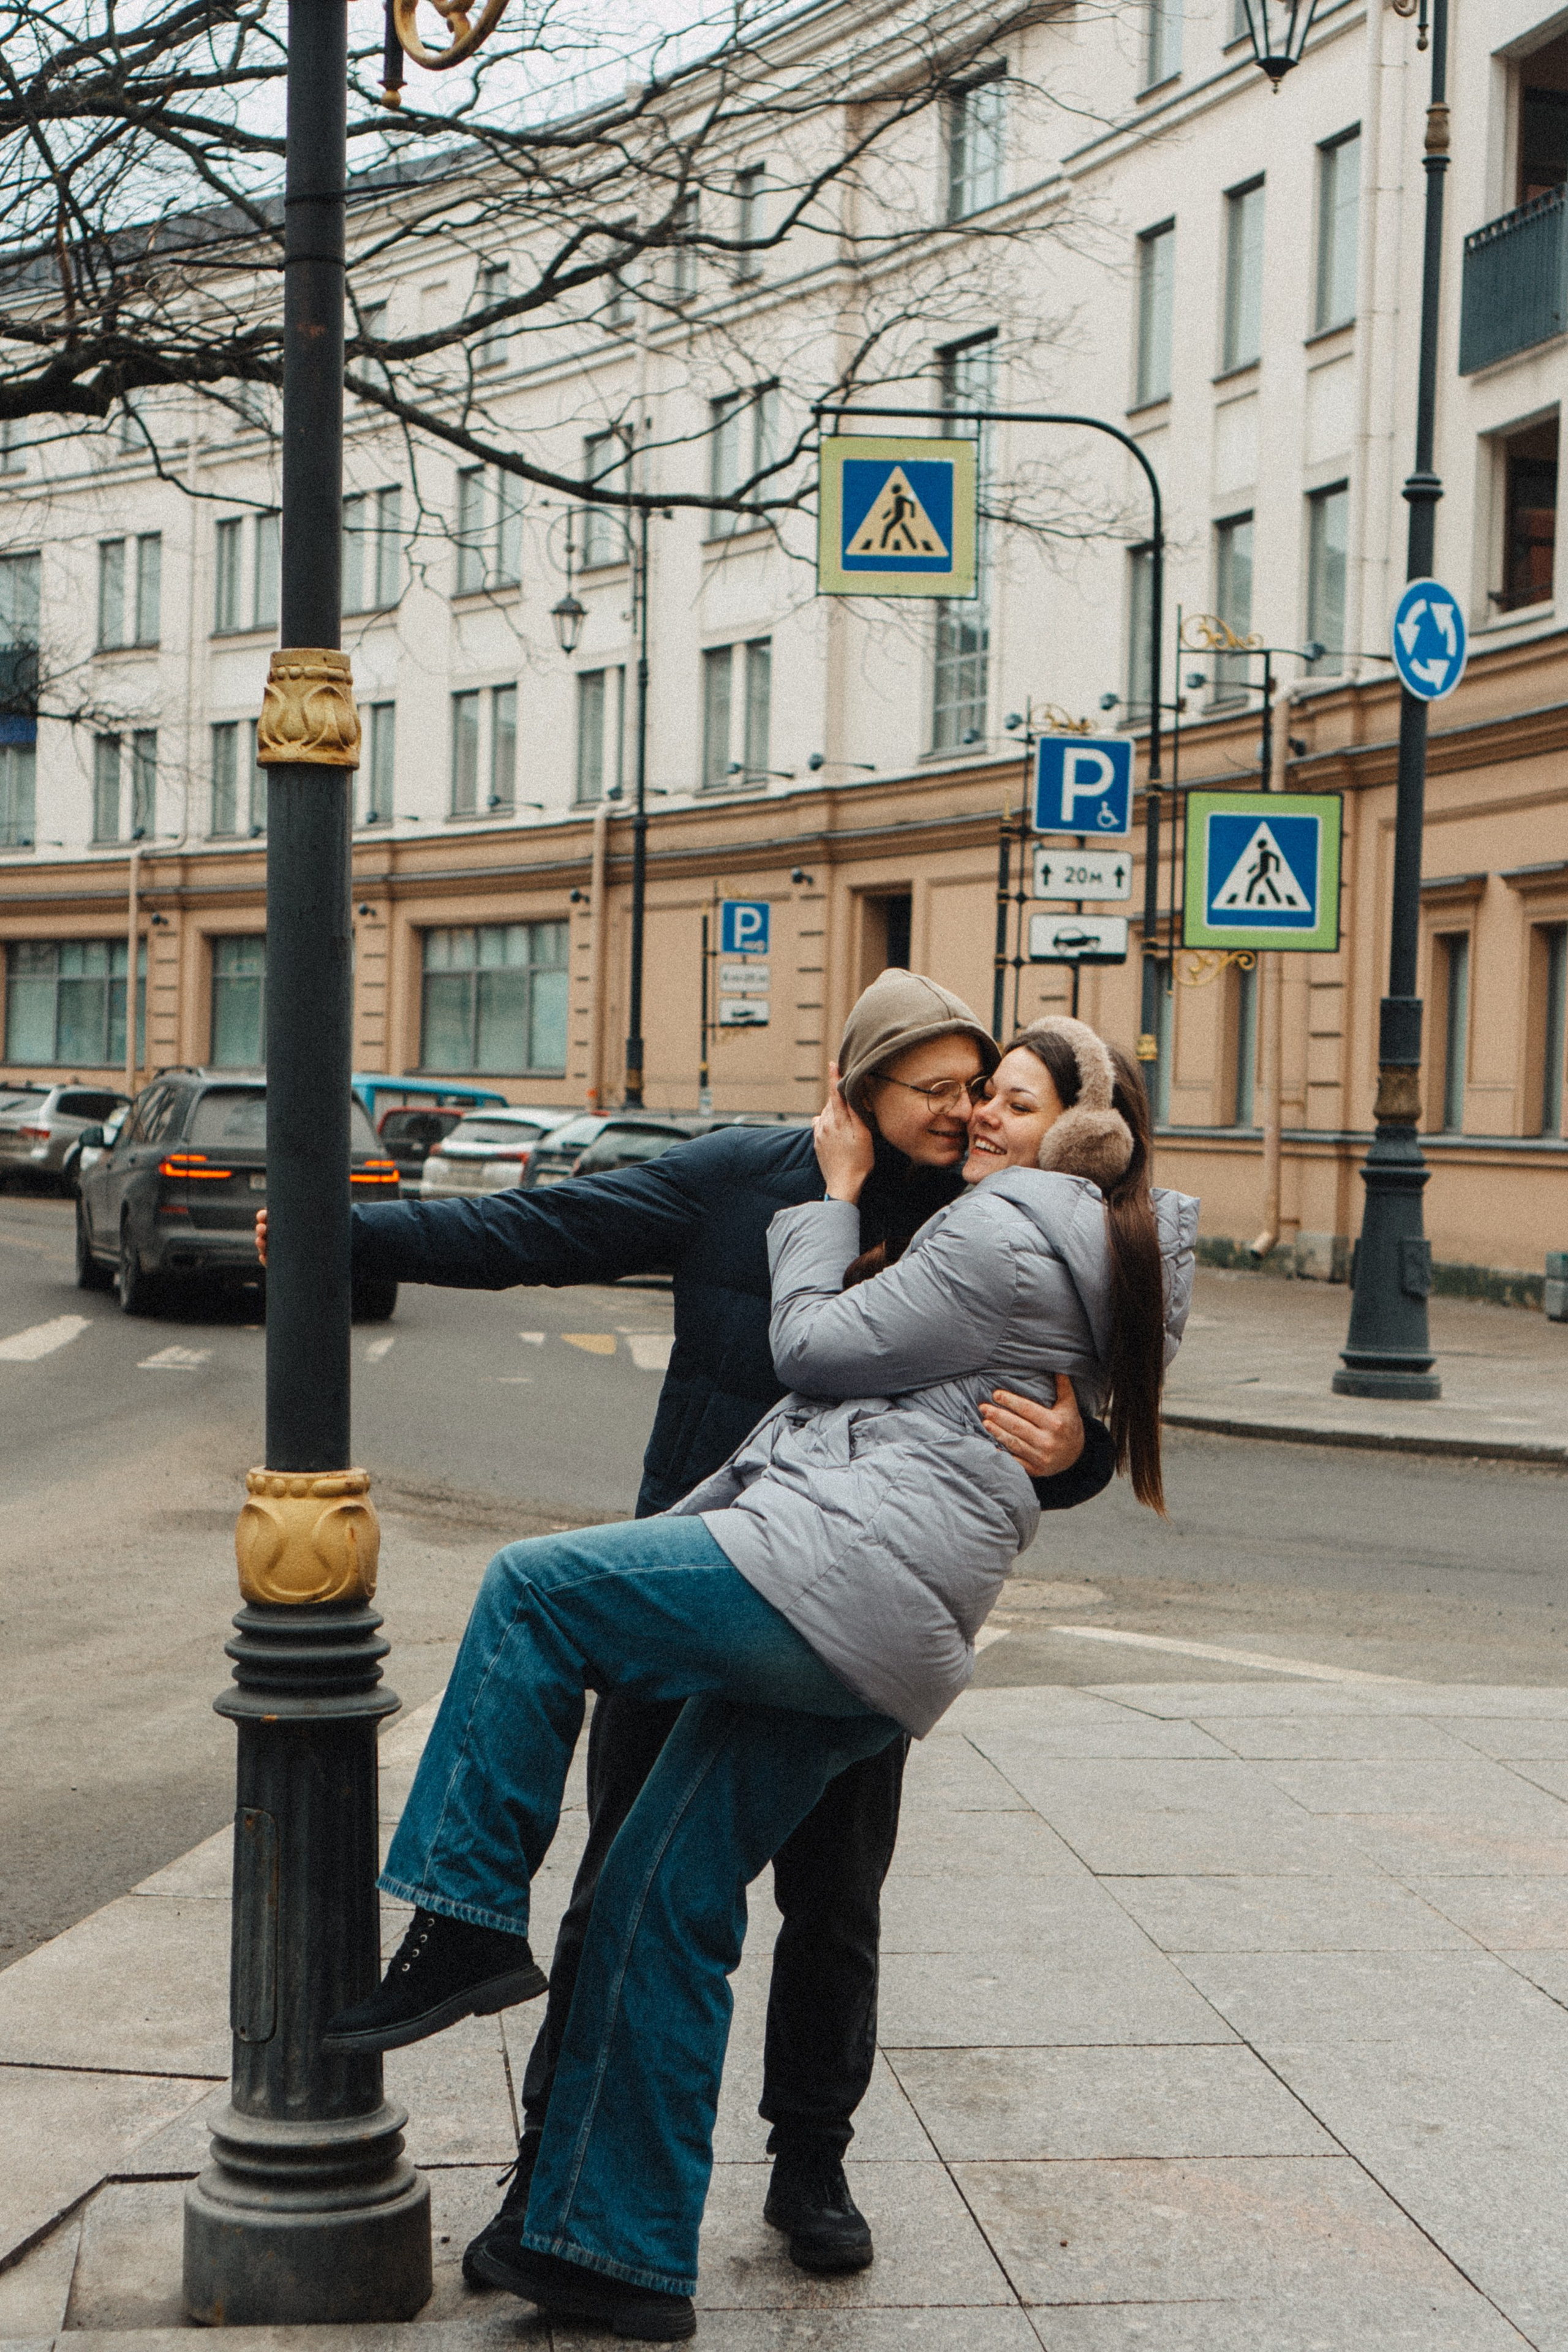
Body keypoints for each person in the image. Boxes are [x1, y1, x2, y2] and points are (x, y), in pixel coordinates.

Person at [314, 1014, 1197, 2343]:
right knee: (644, 1890)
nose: (967, 1116)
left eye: (993, 1095)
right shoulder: (756, 1175)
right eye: (946, 1090)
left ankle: (771, 2136)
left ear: (1071, 1135)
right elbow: (537, 1235)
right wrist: (356, 1238)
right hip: (746, 1568)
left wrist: (1070, 1444)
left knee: (801, 1877)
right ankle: (593, 2238)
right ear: (860, 1084)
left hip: (826, 1582)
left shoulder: (987, 1214)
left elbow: (949, 1387)